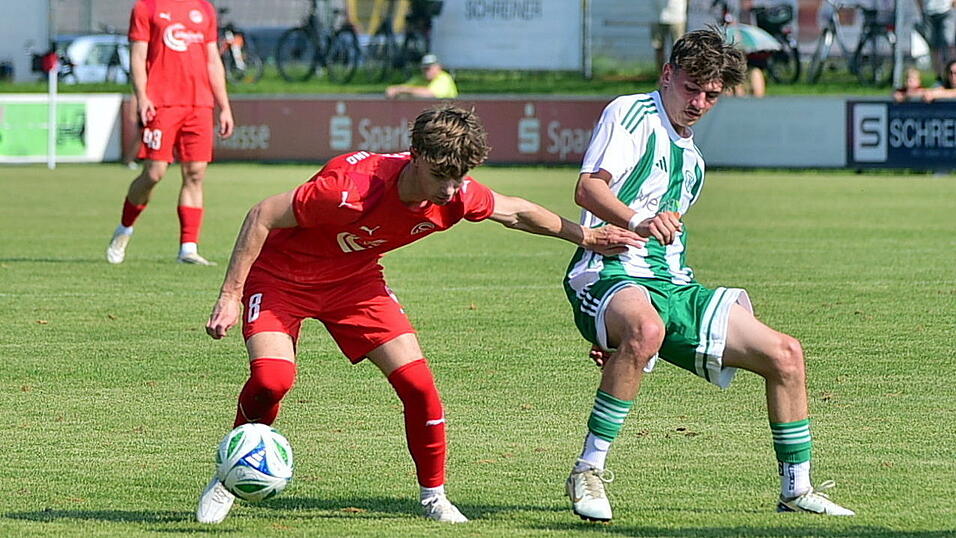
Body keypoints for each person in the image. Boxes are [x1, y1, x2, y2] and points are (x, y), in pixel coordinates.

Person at [194, 104, 643, 524]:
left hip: (355, 285)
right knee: (273, 380)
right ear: (415, 156)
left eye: (459, 177)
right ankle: (230, 475)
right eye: (441, 175)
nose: (450, 189)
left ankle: (434, 497)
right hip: (281, 280)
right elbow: (261, 215)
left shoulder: (457, 194)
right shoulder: (348, 189)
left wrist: (584, 235)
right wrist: (231, 294)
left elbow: (517, 211)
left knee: (418, 385)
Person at [562, 28, 855, 522]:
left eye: (712, 94)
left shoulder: (694, 163)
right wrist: (635, 220)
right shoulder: (631, 112)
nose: (699, 101)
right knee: (645, 328)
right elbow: (588, 188)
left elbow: (669, 241)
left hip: (673, 286)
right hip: (607, 271)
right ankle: (588, 469)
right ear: (667, 74)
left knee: (786, 354)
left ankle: (796, 488)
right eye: (691, 87)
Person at [106, 0, 234, 266]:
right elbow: (138, 57)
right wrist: (142, 97)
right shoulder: (147, 7)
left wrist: (224, 106)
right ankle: (124, 229)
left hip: (199, 104)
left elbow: (212, 60)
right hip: (162, 103)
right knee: (154, 173)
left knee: (195, 174)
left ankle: (188, 248)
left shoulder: (204, 8)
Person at [385, 54, 458, 99]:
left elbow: (430, 94)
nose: (427, 71)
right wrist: (396, 90)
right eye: (424, 68)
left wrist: (403, 90)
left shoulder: (444, 78)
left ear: (438, 67)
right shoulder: (419, 79)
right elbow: (405, 88)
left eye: (429, 68)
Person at [916, 0, 954, 78]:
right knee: (933, 47)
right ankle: (939, 78)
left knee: (949, 43)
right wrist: (921, 8)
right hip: (928, 12)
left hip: (946, 10)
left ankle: (951, 76)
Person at [652, 0, 688, 68]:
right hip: (656, 15)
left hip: (677, 16)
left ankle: (677, 74)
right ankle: (662, 76)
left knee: (679, 48)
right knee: (658, 47)